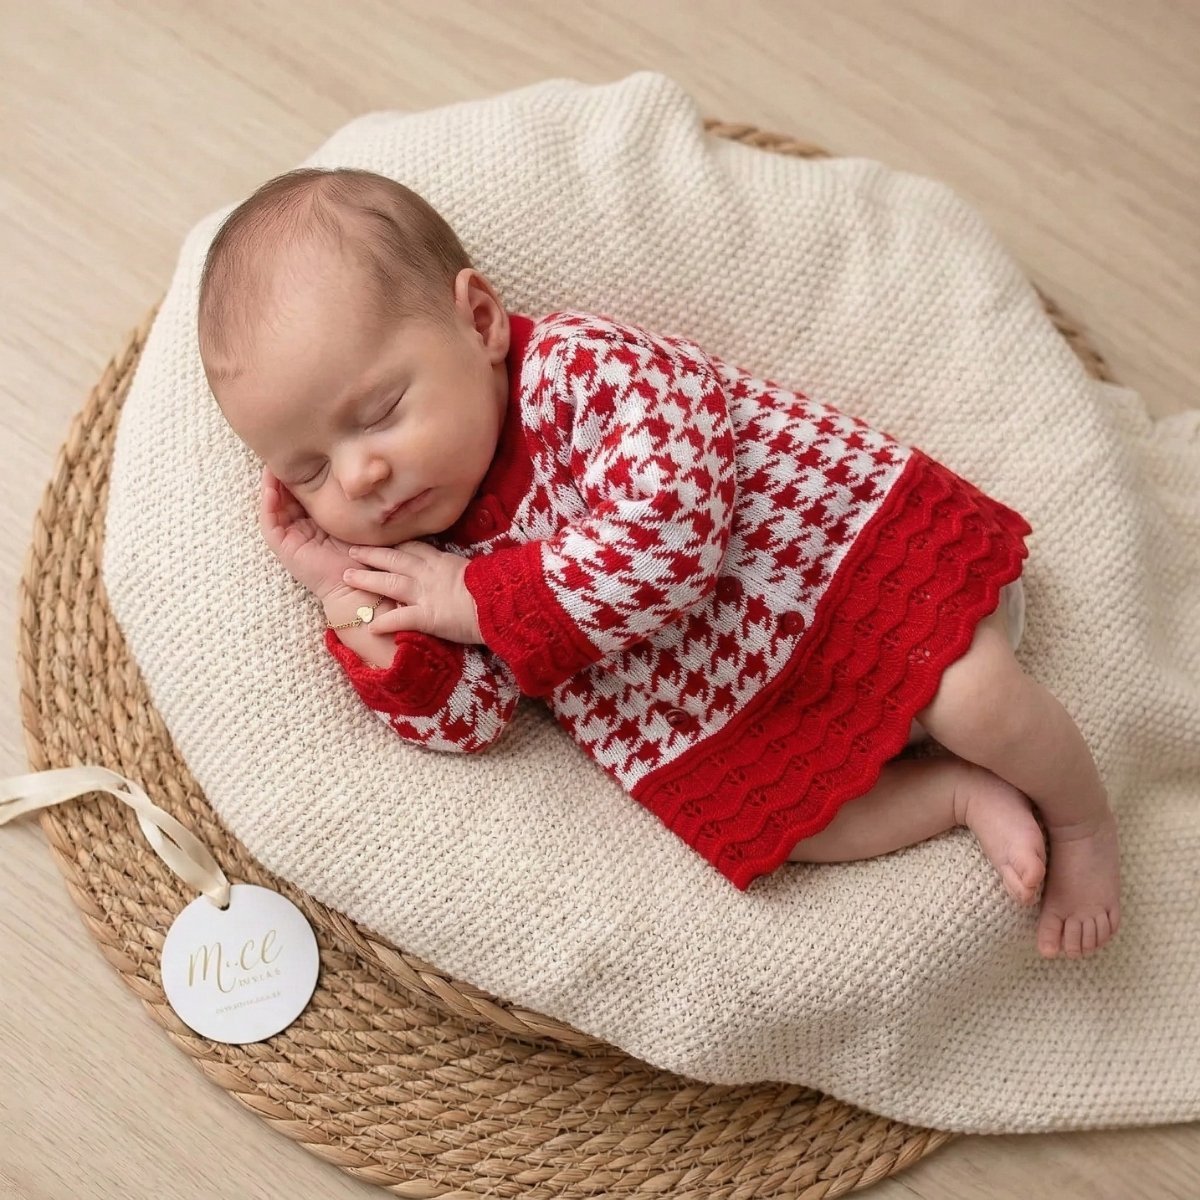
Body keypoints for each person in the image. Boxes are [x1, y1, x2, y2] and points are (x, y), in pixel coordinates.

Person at [197, 167, 1120, 959]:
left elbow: (671, 535)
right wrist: (348, 596)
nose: (361, 475)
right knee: (792, 826)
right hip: (735, 714)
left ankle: (1081, 823)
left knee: (974, 701)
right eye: (309, 470)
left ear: (478, 322)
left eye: (381, 412)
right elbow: (471, 718)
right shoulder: (421, 556)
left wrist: (476, 598)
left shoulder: (582, 373)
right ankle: (954, 794)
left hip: (844, 579)